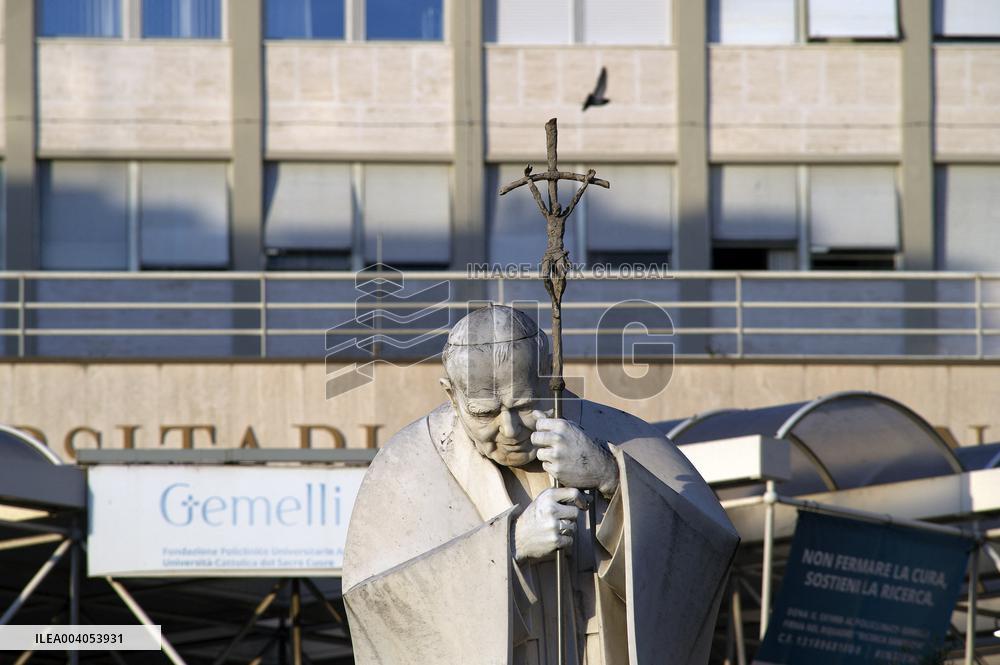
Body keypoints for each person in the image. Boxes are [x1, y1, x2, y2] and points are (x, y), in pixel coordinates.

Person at [343, 305, 739, 665]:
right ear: (451, 392)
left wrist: (613, 477)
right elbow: (375, 603)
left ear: (549, 373)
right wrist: (509, 548)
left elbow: (709, 550)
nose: (510, 429)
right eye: (485, 413)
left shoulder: (623, 436)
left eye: (525, 405)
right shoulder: (407, 463)